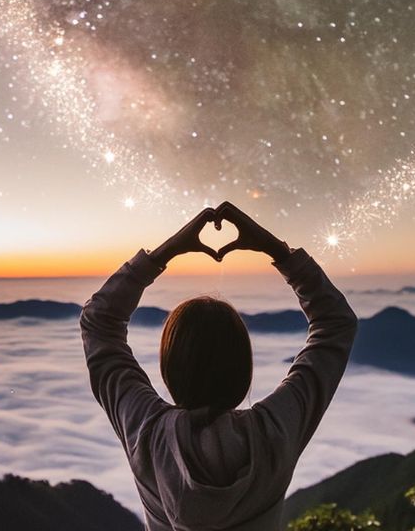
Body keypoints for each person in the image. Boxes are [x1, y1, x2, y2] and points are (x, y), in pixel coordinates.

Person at [81, 201, 358, 530]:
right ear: (243, 369)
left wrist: (162, 255)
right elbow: (335, 323)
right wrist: (277, 250)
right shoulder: (274, 433)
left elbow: (99, 323)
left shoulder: (148, 431)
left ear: (171, 369)